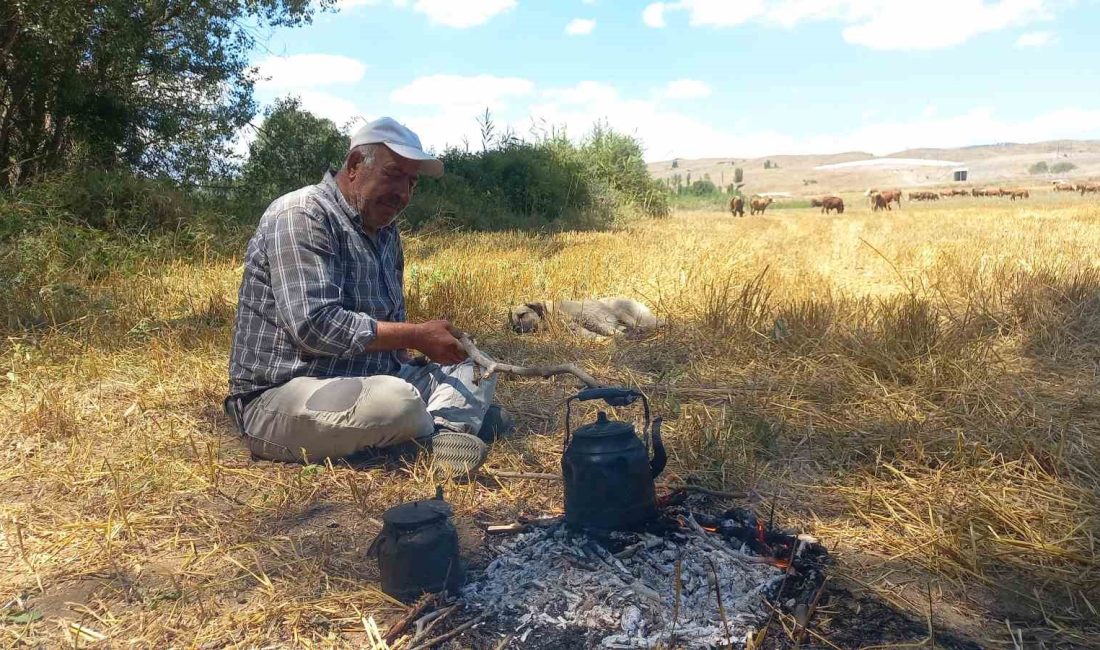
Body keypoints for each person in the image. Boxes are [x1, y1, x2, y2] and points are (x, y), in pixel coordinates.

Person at [224, 117, 511, 474]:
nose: (404, 194)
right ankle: (438, 426)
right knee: (397, 403)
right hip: (281, 395)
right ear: (356, 165)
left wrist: (423, 352)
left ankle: (440, 436)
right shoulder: (302, 213)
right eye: (394, 175)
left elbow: (391, 330)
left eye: (411, 182)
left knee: (476, 366)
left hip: (369, 380)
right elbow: (313, 327)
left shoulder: (385, 229)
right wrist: (416, 335)